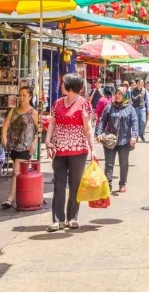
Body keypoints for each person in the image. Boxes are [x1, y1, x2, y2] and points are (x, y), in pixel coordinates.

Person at [45, 73, 94, 232]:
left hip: (78, 150)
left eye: (63, 83)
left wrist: (92, 149)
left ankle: (72, 217)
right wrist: (47, 141)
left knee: (75, 184)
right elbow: (52, 123)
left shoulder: (84, 104)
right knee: (58, 184)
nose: (61, 86)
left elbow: (88, 128)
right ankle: (58, 219)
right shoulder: (58, 103)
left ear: (70, 86)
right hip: (59, 149)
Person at [0, 86, 40, 208]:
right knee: (18, 171)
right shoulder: (13, 110)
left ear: (30, 97)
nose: (21, 98)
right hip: (13, 144)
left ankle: (10, 198)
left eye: (24, 95)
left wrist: (35, 142)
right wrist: (3, 136)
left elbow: (39, 129)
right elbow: (5, 125)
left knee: (15, 172)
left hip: (26, 146)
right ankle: (22, 194)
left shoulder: (33, 112)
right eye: (20, 95)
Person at [96, 87, 138, 193]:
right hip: (110, 141)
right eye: (116, 93)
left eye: (120, 94)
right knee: (109, 163)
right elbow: (102, 121)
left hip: (125, 141)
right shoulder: (109, 107)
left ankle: (122, 183)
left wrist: (134, 136)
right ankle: (108, 184)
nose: (117, 95)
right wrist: (99, 133)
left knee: (124, 163)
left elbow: (135, 123)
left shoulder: (130, 109)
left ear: (125, 96)